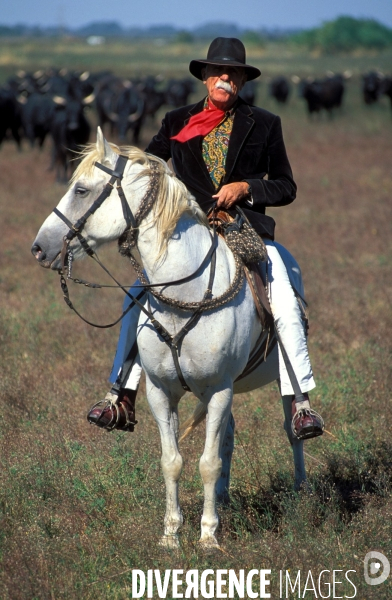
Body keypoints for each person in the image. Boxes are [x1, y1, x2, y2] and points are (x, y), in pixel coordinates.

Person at [87, 37, 324, 440]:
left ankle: (300, 403)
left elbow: (286, 186)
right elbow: (150, 170)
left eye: (233, 73)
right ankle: (121, 395)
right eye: (217, 71)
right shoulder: (176, 120)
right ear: (204, 77)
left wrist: (246, 187)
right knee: (136, 295)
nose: (224, 78)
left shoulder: (265, 123)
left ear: (244, 82)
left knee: (282, 297)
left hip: (246, 231)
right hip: (186, 232)